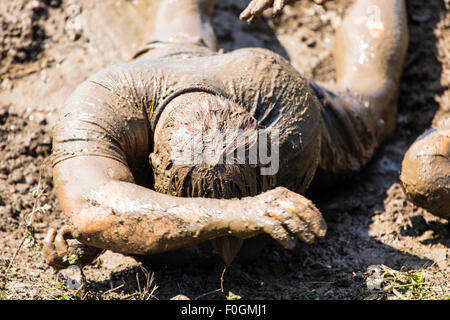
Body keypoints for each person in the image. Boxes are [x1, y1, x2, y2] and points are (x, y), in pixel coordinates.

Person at [44, 0, 412, 269]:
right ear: (151, 163)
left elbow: (240, 247)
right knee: (178, 23)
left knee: (373, 103)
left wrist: (122, 233)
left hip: (259, 87)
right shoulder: (102, 103)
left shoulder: (288, 121)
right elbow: (93, 210)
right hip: (160, 75)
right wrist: (237, 212)